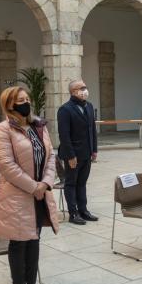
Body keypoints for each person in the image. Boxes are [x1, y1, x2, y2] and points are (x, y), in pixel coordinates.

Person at [0, 87, 60, 284]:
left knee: (34, 241)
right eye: (21, 100)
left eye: (28, 99)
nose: (26, 103)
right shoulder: (3, 130)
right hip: (17, 195)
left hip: (40, 193)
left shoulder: (38, 126)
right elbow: (6, 166)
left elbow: (50, 157)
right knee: (19, 243)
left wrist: (45, 183)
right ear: (9, 104)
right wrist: (33, 187)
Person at [56, 80, 99, 225]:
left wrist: (94, 150)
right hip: (73, 154)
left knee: (82, 182)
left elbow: (92, 130)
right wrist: (70, 156)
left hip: (87, 153)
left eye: (85, 87)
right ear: (73, 91)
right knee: (71, 183)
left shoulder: (89, 106)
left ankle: (83, 210)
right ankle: (73, 213)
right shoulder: (65, 109)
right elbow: (64, 135)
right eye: (81, 88)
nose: (85, 90)